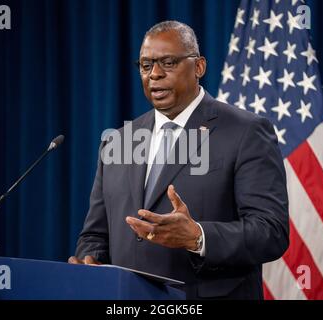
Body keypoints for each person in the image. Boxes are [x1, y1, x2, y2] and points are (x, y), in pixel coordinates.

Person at [69, 20, 289, 300]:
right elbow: (95, 234)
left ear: (199, 67)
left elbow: (271, 232)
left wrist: (197, 237)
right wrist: (90, 261)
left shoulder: (246, 131)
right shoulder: (118, 140)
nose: (155, 74)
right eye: (146, 65)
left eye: (168, 63)